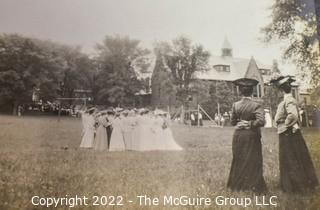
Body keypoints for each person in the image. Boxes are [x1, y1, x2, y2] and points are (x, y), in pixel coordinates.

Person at [271, 75, 318, 193]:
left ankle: (295, 184)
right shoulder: (287, 100)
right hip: (289, 133)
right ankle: (294, 183)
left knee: (290, 157)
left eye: (279, 90)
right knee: (293, 156)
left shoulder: (289, 100)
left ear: (282, 90)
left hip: (288, 134)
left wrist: (285, 124)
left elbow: (293, 115)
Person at [227, 78, 267, 194]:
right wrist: (250, 123)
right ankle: (253, 185)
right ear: (252, 91)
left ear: (240, 91)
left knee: (239, 159)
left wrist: (242, 122)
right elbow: (261, 121)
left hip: (238, 135)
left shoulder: (236, 105)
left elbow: (232, 122)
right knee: (253, 159)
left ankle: (238, 185)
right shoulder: (257, 105)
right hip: (252, 135)